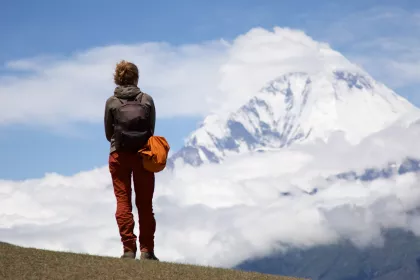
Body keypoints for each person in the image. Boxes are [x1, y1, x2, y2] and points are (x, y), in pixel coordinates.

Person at [104, 60, 159, 261]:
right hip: (143, 156)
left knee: (123, 200)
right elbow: (151, 130)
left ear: (117, 78)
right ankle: (147, 250)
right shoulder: (147, 100)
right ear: (136, 78)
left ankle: (128, 249)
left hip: (119, 155)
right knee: (145, 204)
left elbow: (108, 133)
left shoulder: (111, 102)